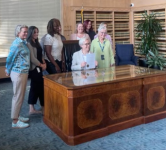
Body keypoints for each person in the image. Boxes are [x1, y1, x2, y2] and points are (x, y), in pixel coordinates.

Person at [5, 25, 30, 128]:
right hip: (18, 73)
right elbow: (10, 58)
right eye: (24, 32)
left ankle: (17, 116)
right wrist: (7, 69)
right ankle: (15, 121)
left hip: (23, 72)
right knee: (17, 96)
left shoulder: (23, 43)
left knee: (20, 96)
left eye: (26, 32)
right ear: (18, 33)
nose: (26, 33)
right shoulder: (17, 44)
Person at [27, 26, 46, 115]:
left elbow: (40, 54)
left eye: (37, 32)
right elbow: (32, 58)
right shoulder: (29, 43)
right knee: (35, 87)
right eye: (34, 32)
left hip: (40, 67)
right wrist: (41, 65)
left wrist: (44, 62)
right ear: (31, 33)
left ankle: (41, 106)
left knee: (38, 87)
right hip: (34, 68)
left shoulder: (36, 42)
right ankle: (33, 108)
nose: (36, 34)